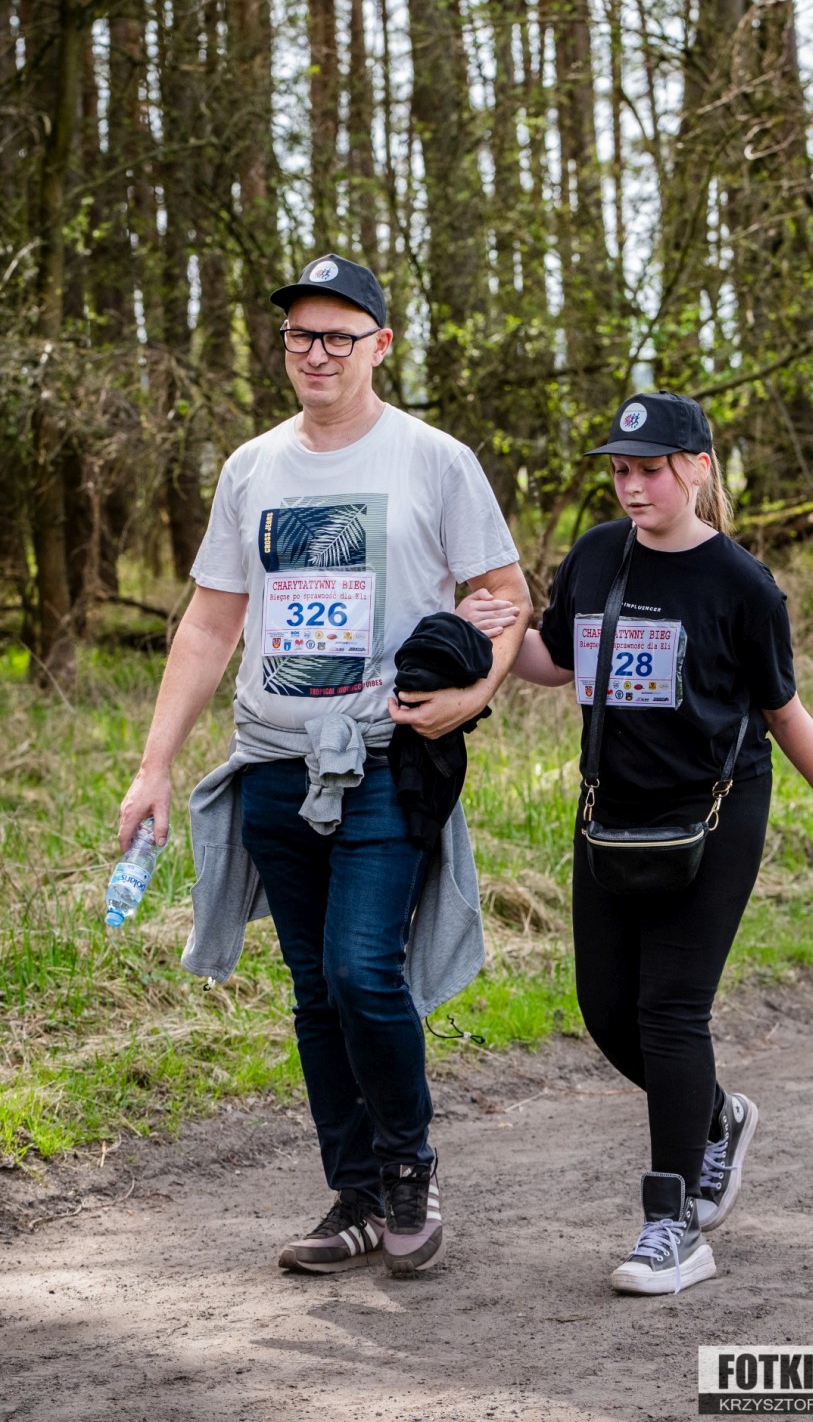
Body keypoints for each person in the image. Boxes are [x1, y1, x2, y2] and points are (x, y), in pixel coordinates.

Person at [118, 253, 530, 1278]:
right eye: (300, 335)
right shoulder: (252, 468)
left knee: (360, 969)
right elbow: (211, 623)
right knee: (313, 990)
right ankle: (355, 1195)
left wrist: (470, 699)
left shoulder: (434, 460)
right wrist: (154, 766)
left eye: (338, 337)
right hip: (273, 762)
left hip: (386, 760)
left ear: (379, 346)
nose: (315, 353)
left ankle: (409, 1167)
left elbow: (506, 595)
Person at [460, 390, 813, 1297]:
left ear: (696, 469)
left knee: (670, 1010)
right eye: (621, 471)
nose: (632, 486)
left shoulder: (742, 584)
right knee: (607, 1009)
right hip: (610, 814)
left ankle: (672, 1224)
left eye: (650, 470)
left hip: (715, 815)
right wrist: (498, 632)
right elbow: (555, 663)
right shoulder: (597, 556)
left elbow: (781, 708)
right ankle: (716, 1116)